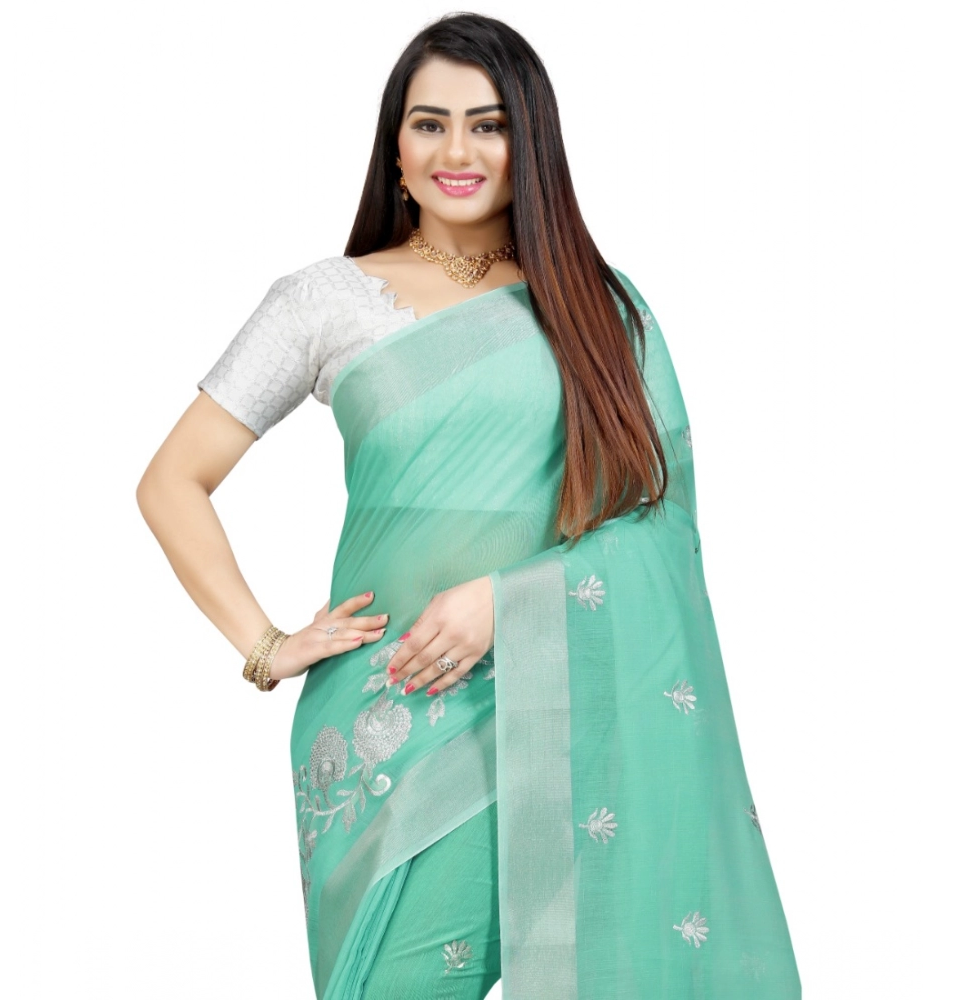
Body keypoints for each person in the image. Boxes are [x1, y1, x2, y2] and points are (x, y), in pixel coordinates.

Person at [136, 12, 801, 1000]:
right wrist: (266, 644)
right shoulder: (323, 300)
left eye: (488, 125)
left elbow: (660, 520)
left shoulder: (600, 309)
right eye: (430, 123)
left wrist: (509, 601)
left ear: (530, 145)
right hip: (384, 717)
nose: (457, 151)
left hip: (563, 709)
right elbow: (170, 481)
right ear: (395, 149)